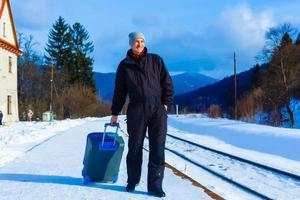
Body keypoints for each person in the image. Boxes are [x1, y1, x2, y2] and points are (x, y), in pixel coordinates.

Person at [110, 32, 174, 197]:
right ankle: (132, 181)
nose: (139, 44)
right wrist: (115, 113)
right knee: (135, 147)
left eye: (142, 41)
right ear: (131, 43)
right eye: (136, 41)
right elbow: (119, 92)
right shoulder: (124, 66)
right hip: (136, 109)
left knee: (158, 148)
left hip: (157, 110)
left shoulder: (156, 60)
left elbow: (167, 83)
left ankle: (155, 186)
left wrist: (165, 104)